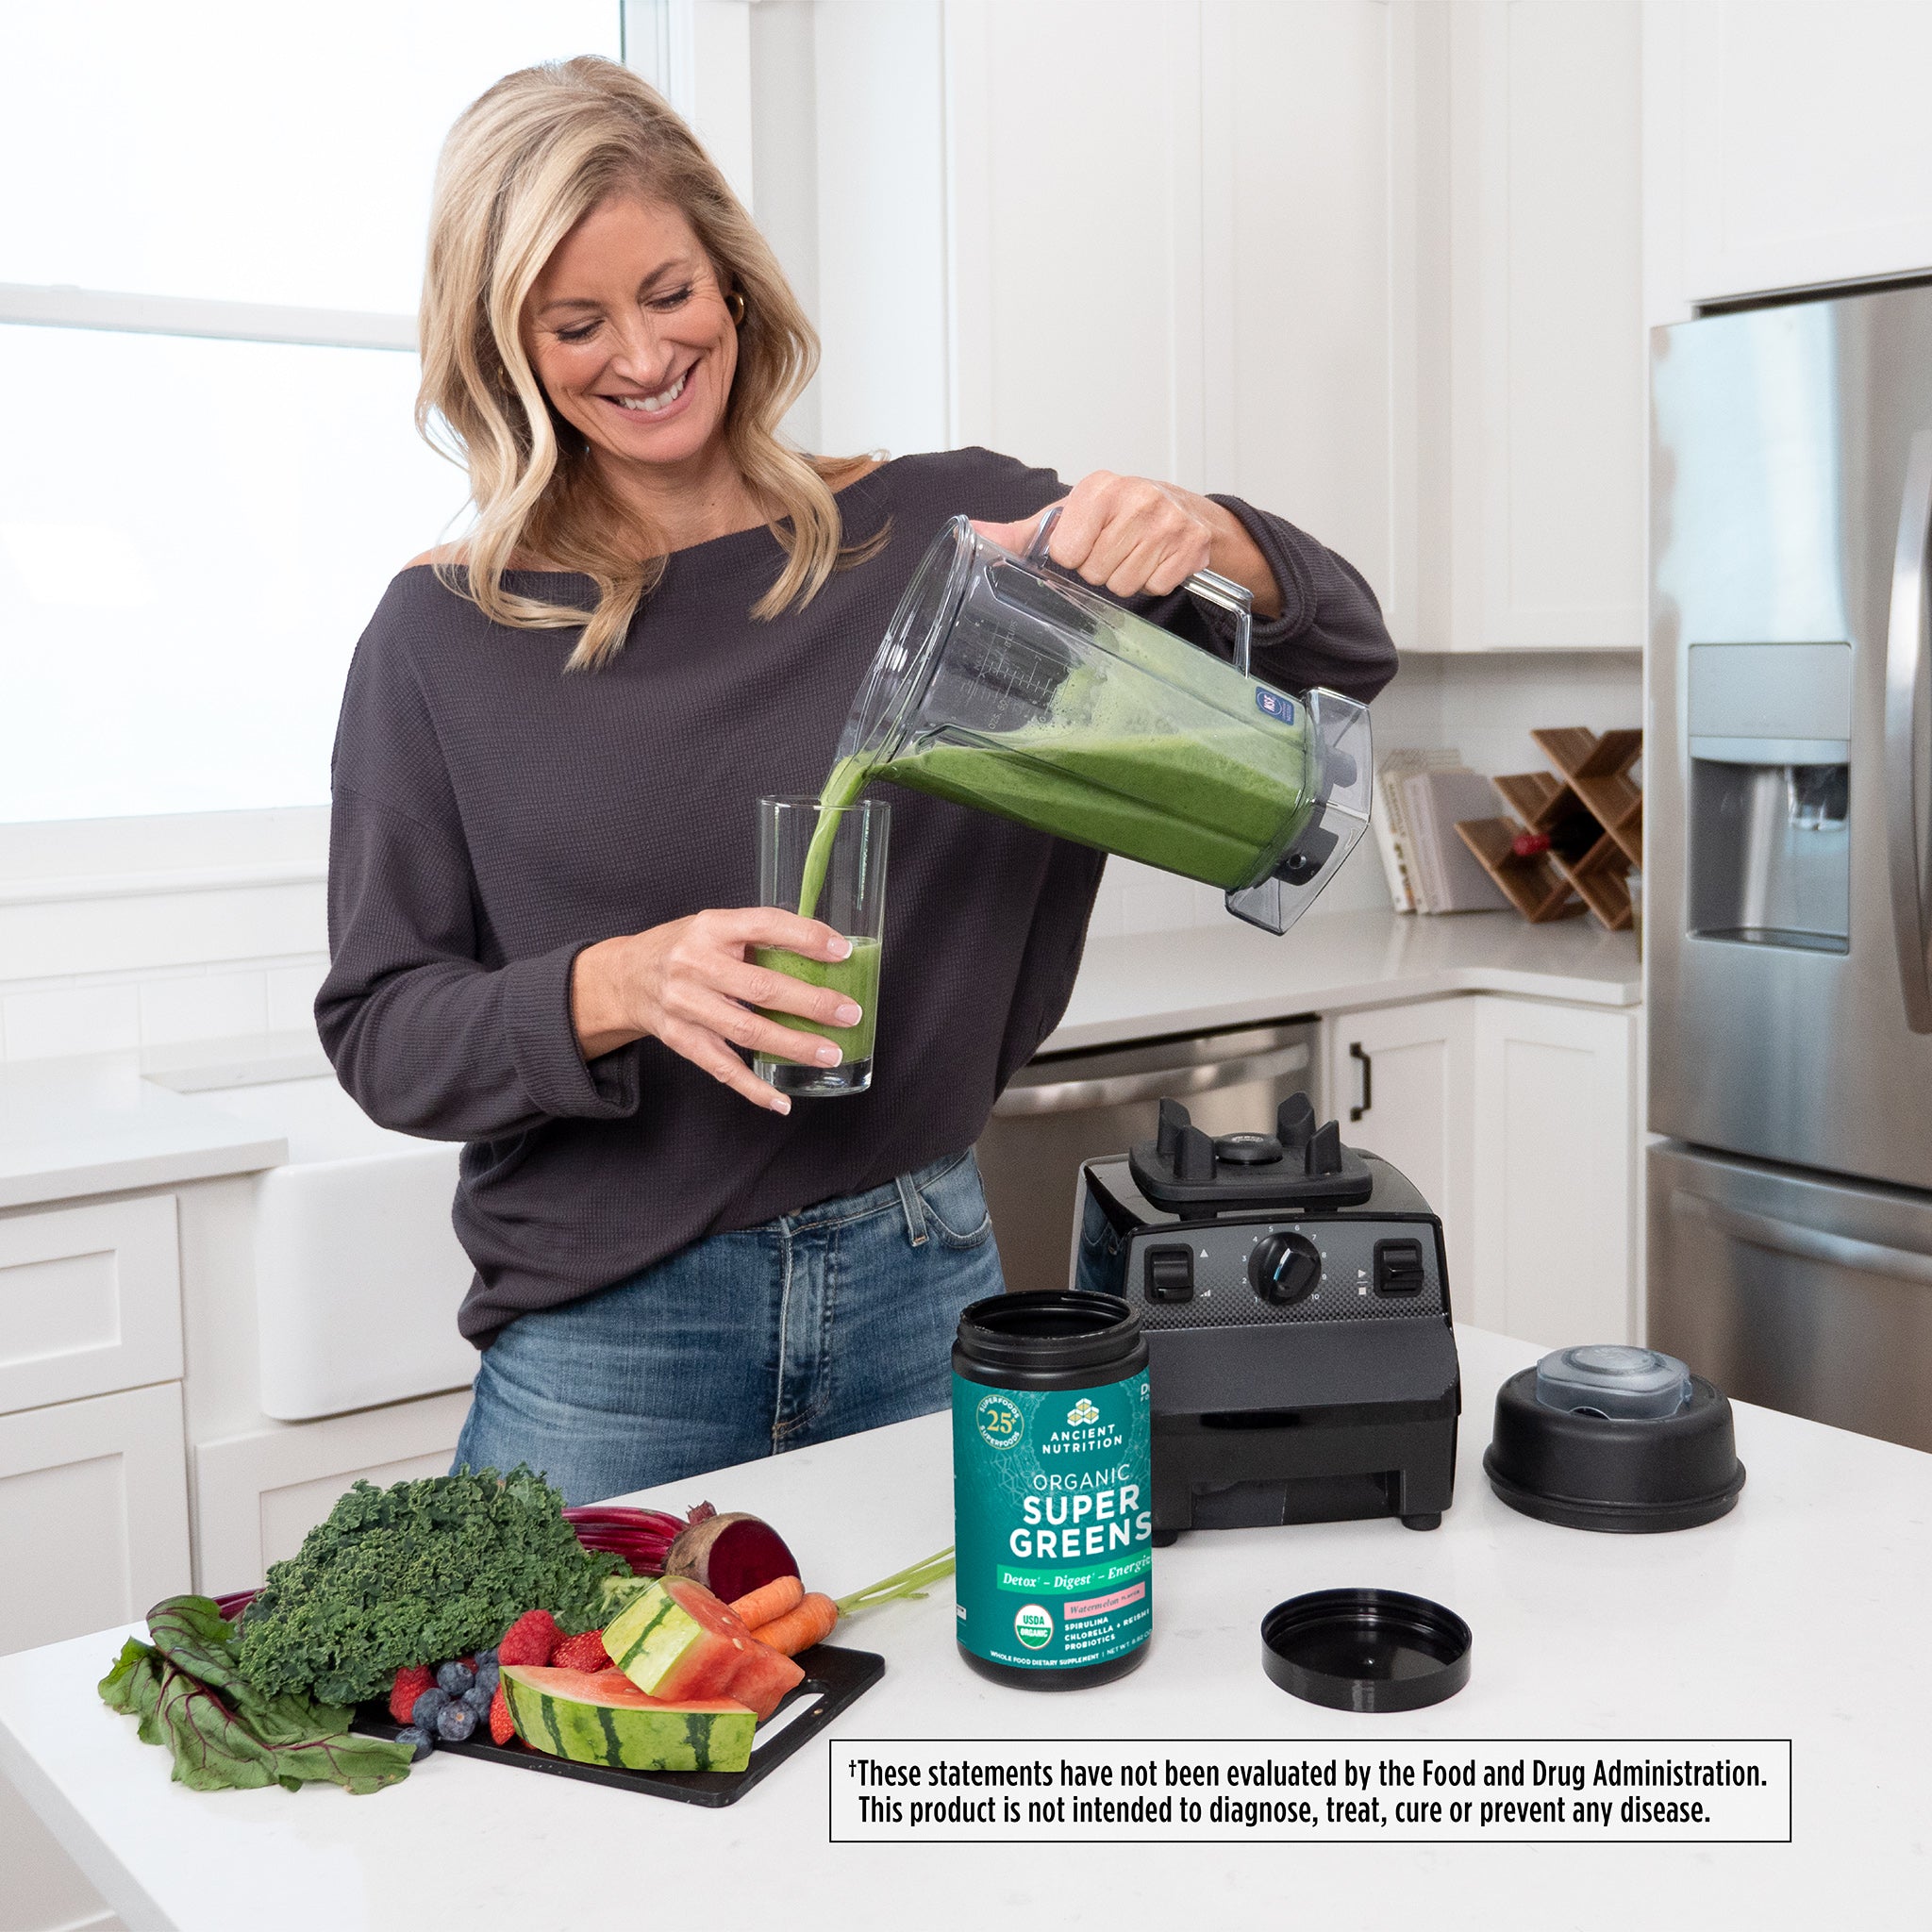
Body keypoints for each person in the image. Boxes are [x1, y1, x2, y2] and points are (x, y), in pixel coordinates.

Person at [318, 57, 1397, 1506]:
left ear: (736, 285)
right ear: (501, 346)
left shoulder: (960, 537)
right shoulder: (451, 634)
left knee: (948, 1725)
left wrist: (1219, 535)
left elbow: (1347, 657)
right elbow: (384, 1031)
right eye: (575, 323)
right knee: (557, 1730)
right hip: (608, 1344)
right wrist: (620, 987)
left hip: (922, 1276)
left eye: (670, 293)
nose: (641, 355)